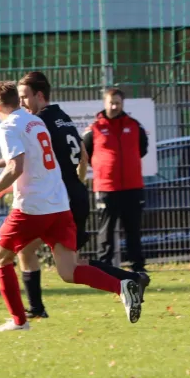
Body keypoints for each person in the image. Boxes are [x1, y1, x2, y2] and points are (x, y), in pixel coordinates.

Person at [0, 72, 150, 320]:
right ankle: (127, 282)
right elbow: (79, 155)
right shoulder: (61, 118)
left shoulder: (37, 122)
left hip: (53, 199)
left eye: (25, 97)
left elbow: (24, 162)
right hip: (67, 196)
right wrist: (79, 178)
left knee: (21, 256)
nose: (22, 103)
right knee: (65, 266)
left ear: (39, 95)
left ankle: (28, 314)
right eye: (19, 97)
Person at [82, 88, 148, 272]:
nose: (114, 106)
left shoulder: (135, 126)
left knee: (133, 230)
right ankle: (105, 267)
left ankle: (138, 267)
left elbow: (142, 149)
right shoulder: (94, 129)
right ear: (105, 103)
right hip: (107, 187)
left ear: (122, 104)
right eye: (111, 102)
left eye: (117, 103)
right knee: (106, 230)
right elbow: (84, 154)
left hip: (133, 187)